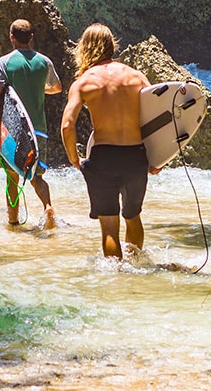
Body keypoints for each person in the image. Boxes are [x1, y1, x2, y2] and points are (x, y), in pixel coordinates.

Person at [60, 24, 152, 259]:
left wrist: (74, 158)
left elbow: (67, 125)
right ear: (112, 46)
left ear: (85, 47)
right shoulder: (136, 76)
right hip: (136, 156)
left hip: (104, 158)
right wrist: (159, 157)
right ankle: (137, 266)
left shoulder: (84, 82)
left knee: (109, 227)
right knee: (132, 217)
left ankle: (116, 281)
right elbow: (156, 117)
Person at [0, 19, 63, 229]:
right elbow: (57, 88)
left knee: (12, 176)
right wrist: (39, 89)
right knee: (36, 175)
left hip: (14, 129)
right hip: (39, 129)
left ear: (12, 37)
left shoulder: (3, 63)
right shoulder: (44, 61)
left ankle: (13, 221)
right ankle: (47, 207)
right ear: (31, 37)